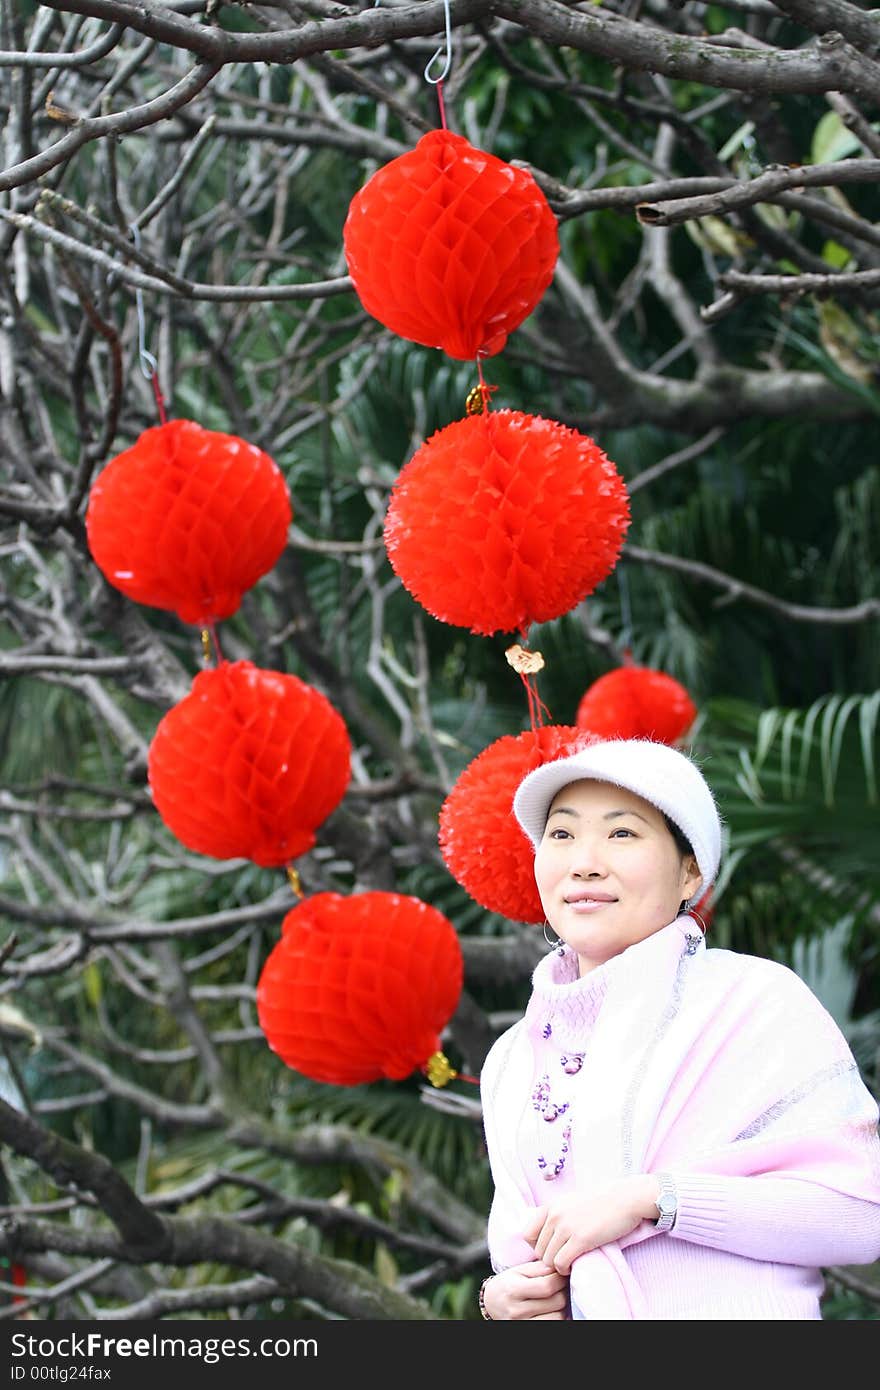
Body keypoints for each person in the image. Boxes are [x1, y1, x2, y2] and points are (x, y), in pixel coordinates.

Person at [477, 738, 880, 1320]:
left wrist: (655, 1200)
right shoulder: (509, 1059)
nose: (584, 861)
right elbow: (517, 1253)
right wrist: (502, 1298)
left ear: (690, 872)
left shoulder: (752, 1001)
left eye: (622, 833)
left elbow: (860, 1213)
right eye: (562, 835)